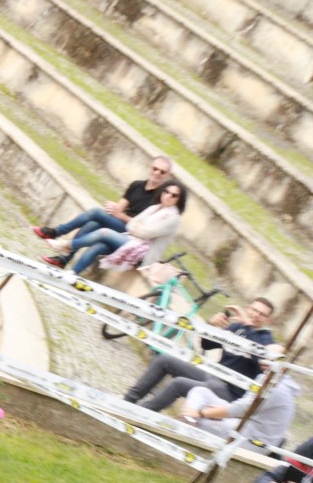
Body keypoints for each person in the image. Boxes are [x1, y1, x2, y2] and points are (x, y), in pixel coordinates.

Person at [124, 297, 276, 411]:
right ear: (248, 308)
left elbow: (261, 359)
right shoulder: (238, 327)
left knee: (179, 384)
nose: (256, 315)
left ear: (268, 320)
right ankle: (127, 401)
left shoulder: (266, 341)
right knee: (165, 359)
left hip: (231, 391)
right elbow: (206, 345)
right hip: (213, 376)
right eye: (254, 310)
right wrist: (212, 326)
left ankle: (141, 413)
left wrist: (248, 326)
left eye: (262, 314)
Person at [33, 156, 182, 244]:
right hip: (121, 223)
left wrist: (120, 215)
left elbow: (141, 227)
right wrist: (114, 209)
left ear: (168, 175)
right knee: (94, 222)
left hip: (131, 233)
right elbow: (119, 208)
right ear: (150, 167)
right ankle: (63, 259)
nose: (157, 173)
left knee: (95, 213)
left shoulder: (162, 198)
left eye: (162, 172)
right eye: (155, 168)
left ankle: (56, 232)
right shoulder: (136, 185)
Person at [53, 180, 182, 276]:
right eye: (166, 191)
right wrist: (137, 228)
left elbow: (146, 233)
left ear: (179, 200)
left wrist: (138, 228)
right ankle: (73, 273)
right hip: (131, 240)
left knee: (104, 232)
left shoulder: (173, 218)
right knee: (99, 245)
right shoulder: (154, 208)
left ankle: (68, 245)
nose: (168, 196)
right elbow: (132, 224)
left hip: (143, 254)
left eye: (174, 195)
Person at [178, 347, 297, 450]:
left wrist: (202, 413)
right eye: (265, 356)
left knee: (202, 421)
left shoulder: (277, 388)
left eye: (270, 359)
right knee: (200, 391)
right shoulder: (267, 378)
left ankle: (187, 424)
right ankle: (189, 419)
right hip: (242, 424)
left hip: (251, 440)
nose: (263, 360)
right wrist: (213, 412)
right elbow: (241, 409)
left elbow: (241, 408)